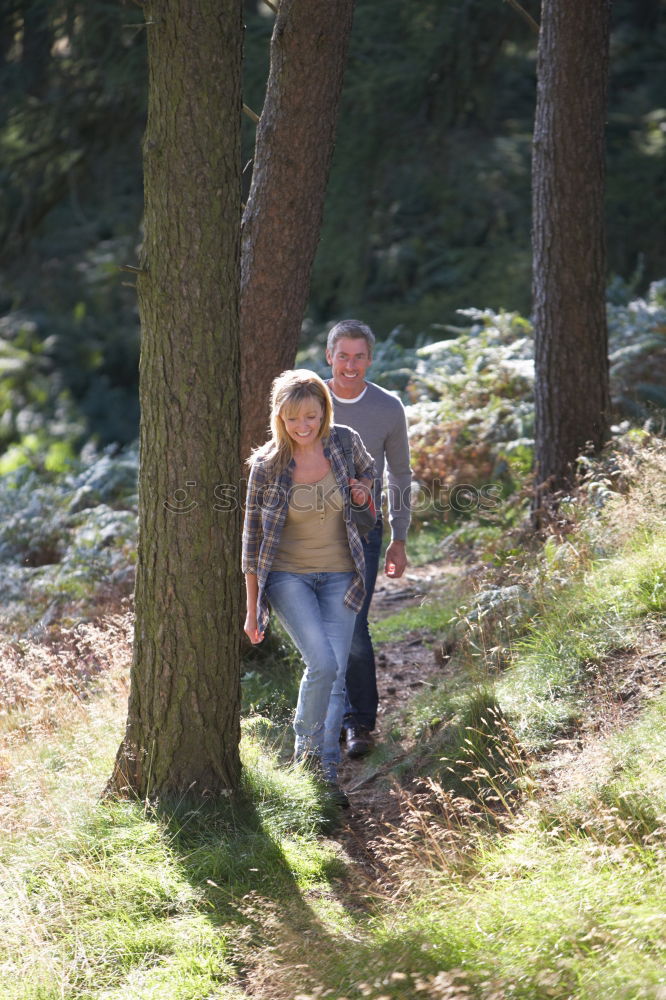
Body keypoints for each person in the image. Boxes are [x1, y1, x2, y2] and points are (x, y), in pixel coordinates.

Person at [242, 369, 375, 805]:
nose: (304, 426)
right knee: (321, 662)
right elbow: (252, 541)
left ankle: (325, 775)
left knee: (334, 674)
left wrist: (361, 495)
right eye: (295, 418)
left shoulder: (344, 442)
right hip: (287, 576)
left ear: (324, 412)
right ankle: (305, 757)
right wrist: (251, 609)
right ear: (280, 417)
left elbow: (368, 477)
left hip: (342, 573)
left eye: (312, 417)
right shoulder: (266, 465)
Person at [325, 319, 412, 759]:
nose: (351, 365)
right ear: (329, 357)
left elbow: (400, 473)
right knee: (320, 626)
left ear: (370, 359)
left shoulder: (387, 407)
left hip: (364, 528)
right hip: (311, 529)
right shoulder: (310, 400)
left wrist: (400, 536)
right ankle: (324, 721)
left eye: (359, 356)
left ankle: (359, 722)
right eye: (344, 356)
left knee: (354, 624)